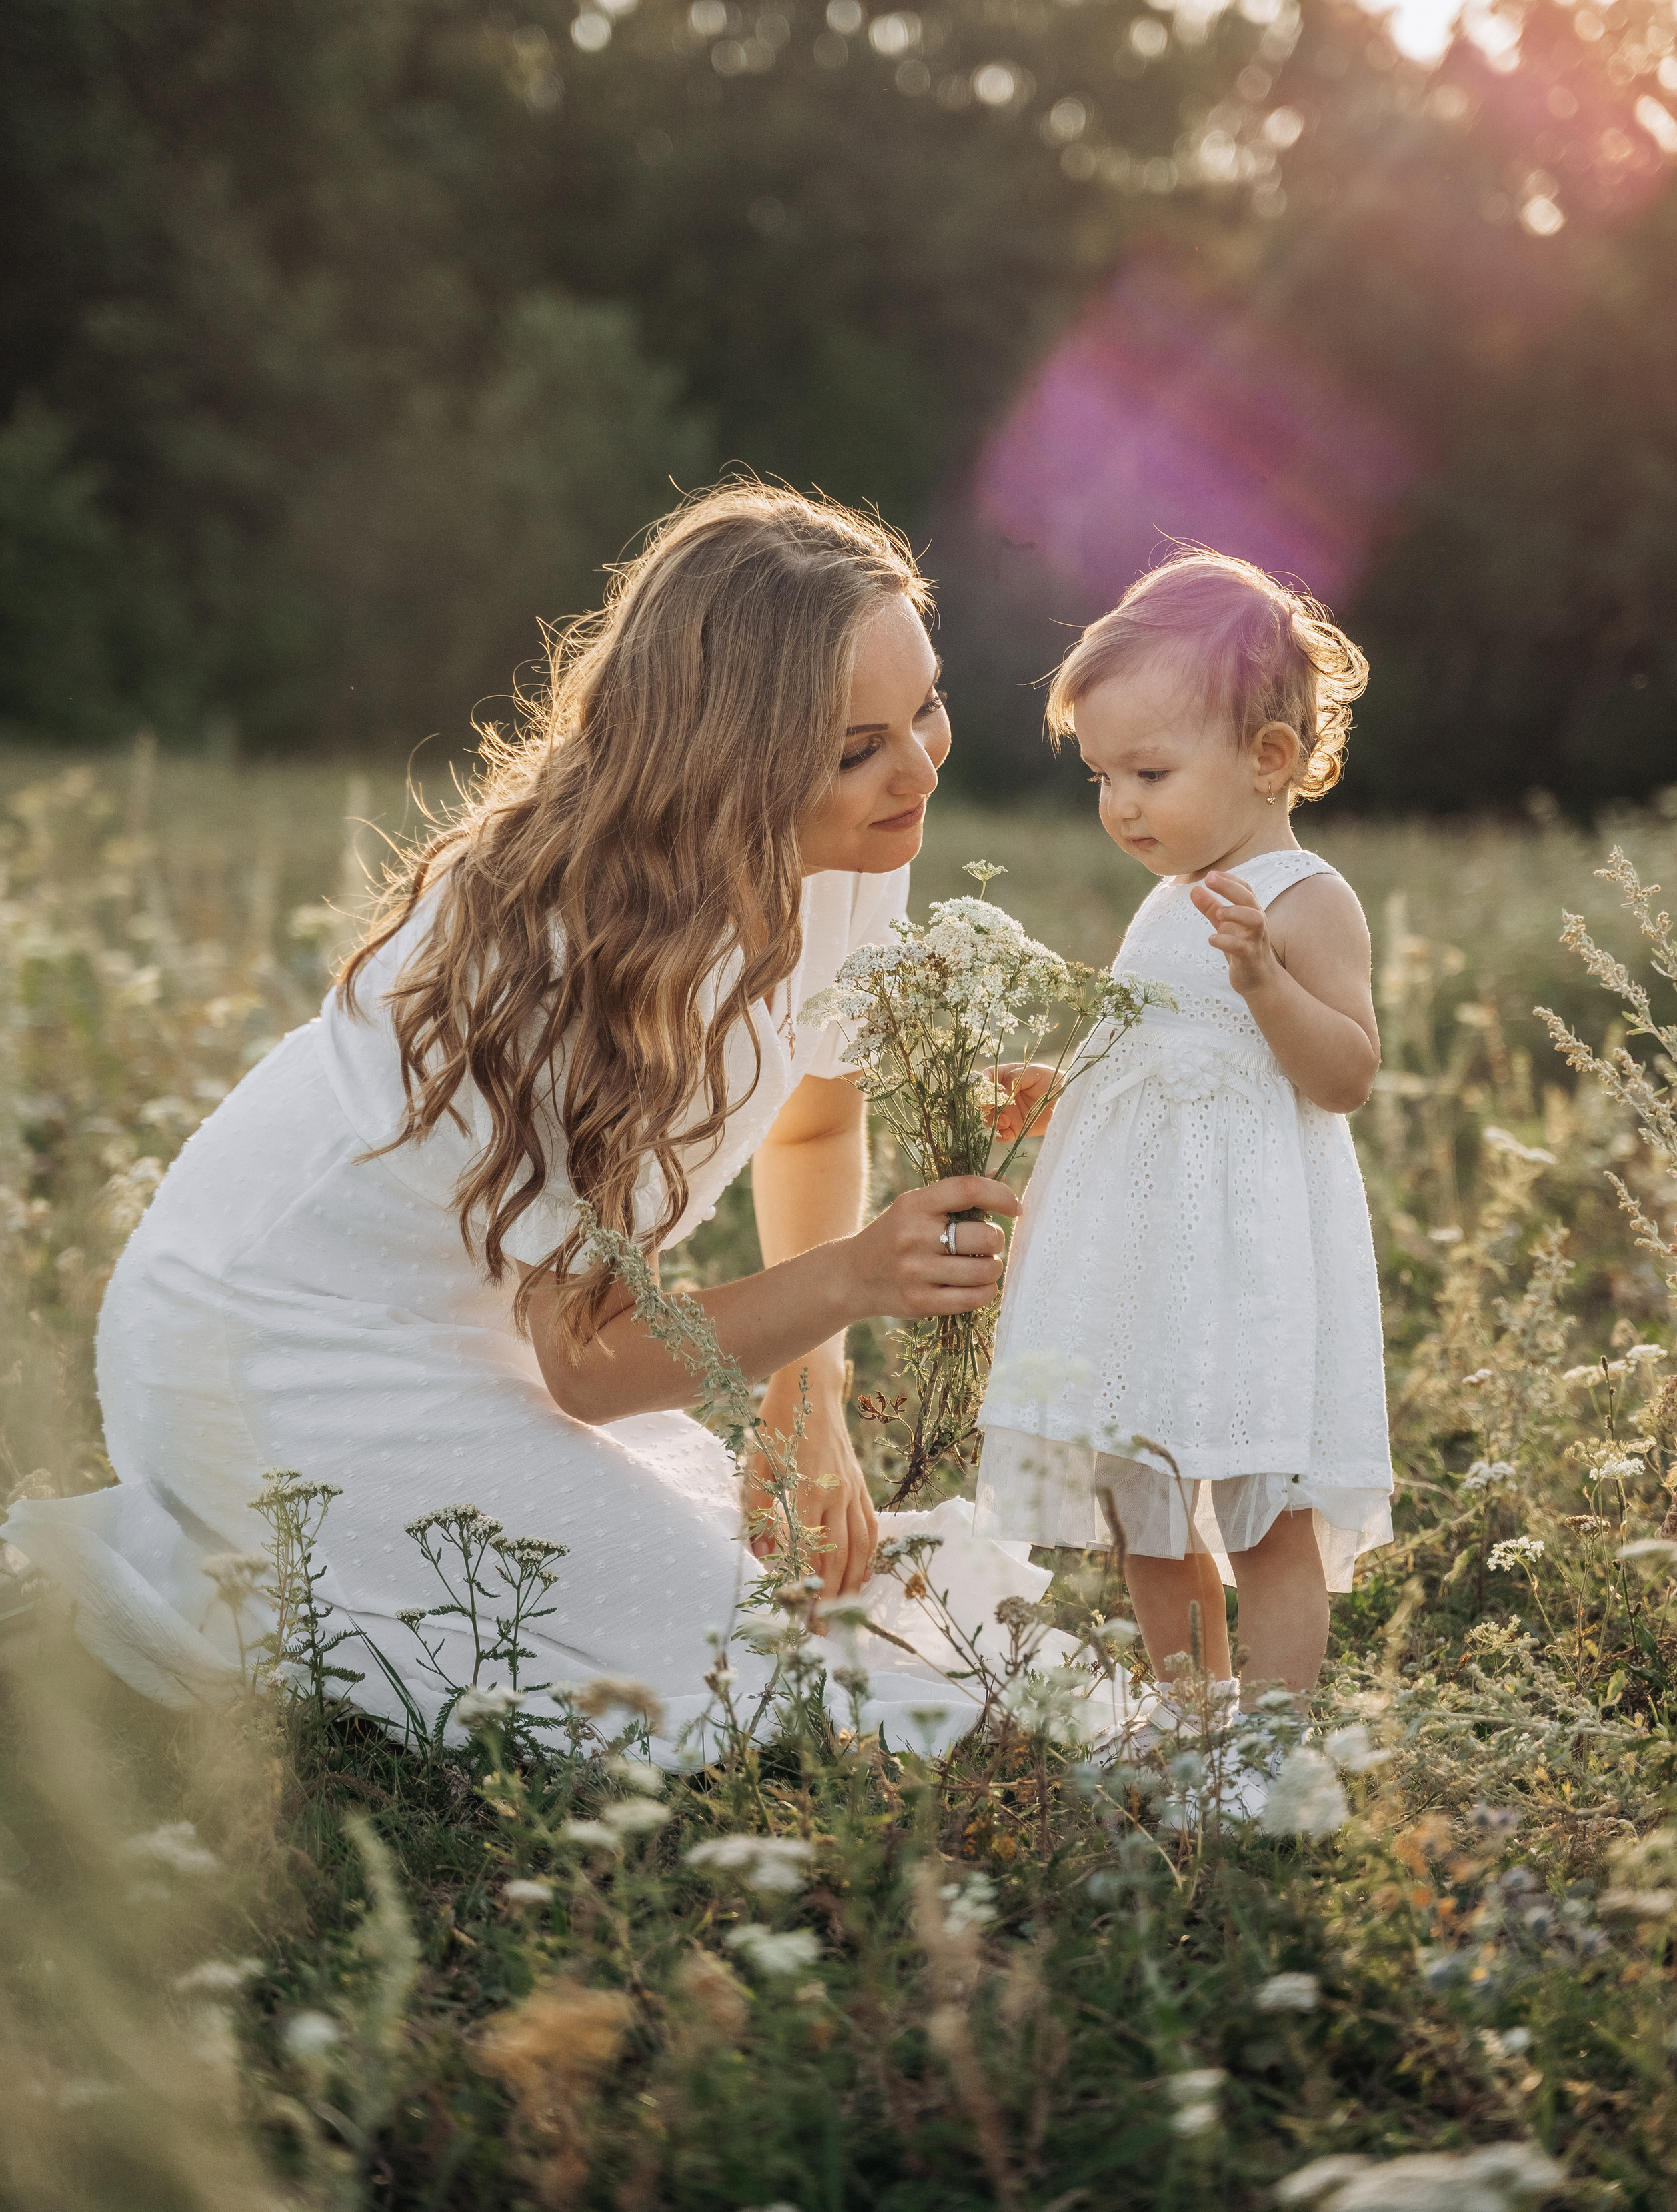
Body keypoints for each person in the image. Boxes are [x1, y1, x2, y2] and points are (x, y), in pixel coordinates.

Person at [5, 487, 1030, 1757]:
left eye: (925, 705)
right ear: (727, 765)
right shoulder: (556, 959)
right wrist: (857, 1280)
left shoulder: (852, 847)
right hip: (270, 1346)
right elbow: (592, 1367)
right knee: (736, 1663)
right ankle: (189, 1551)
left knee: (767, 1587)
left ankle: (243, 1556)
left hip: (475, 1328)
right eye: (854, 747)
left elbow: (814, 1129)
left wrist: (806, 1408)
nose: (921, 766)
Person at [975, 547, 1393, 1705]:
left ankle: (1271, 1736)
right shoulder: (1170, 903)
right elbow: (1157, 1053)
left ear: (1269, 761)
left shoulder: (1308, 899)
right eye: (1102, 777)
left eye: (1149, 772)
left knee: (1264, 1511)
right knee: (1143, 1502)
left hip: (1247, 1266)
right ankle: (1190, 1720)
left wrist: (1266, 978)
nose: (1120, 806)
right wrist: (1059, 1083)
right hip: (1143, 1262)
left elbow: (1347, 1073)